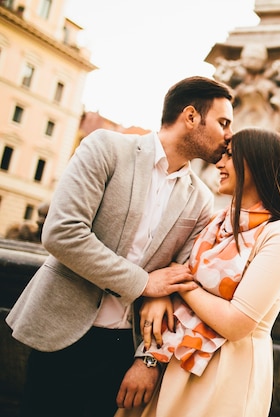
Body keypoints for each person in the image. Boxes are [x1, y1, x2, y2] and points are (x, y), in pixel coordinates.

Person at [5, 76, 234, 417]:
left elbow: (183, 278)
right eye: (223, 122)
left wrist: (148, 359)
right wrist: (144, 283)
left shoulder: (201, 198)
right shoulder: (106, 148)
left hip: (123, 350)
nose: (228, 135)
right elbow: (62, 232)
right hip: (60, 331)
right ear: (190, 116)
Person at [115, 127, 280, 417]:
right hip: (177, 362)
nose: (219, 163)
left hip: (225, 375)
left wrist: (179, 284)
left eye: (230, 156)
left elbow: (236, 323)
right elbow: (170, 276)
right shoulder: (217, 222)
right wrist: (160, 300)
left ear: (257, 163)